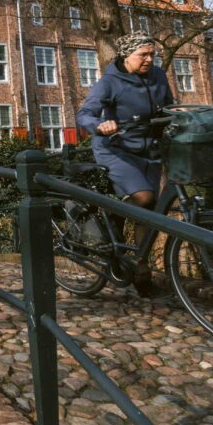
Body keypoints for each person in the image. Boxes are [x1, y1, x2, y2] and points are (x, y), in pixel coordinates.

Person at [76, 32, 174, 295]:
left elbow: (169, 107)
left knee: (150, 210)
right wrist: (100, 125)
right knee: (143, 199)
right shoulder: (110, 81)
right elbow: (84, 114)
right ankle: (112, 212)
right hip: (116, 149)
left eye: (152, 54)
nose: (149, 59)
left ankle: (141, 275)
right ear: (126, 56)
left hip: (149, 151)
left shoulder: (158, 76)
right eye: (143, 55)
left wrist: (180, 115)